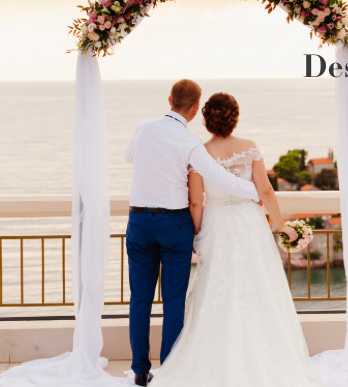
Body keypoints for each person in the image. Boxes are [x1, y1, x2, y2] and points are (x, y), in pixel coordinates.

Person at [149, 92, 322, 387]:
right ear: (234, 118)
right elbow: (265, 191)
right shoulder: (249, 147)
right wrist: (280, 226)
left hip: (216, 226)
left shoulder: (198, 152)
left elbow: (196, 202)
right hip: (249, 224)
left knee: (217, 285)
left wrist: (197, 233)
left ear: (206, 119)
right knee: (260, 287)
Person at [123, 80, 265, 386]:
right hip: (174, 225)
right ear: (195, 108)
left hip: (139, 223)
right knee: (174, 300)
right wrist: (255, 191)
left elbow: (128, 156)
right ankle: (170, 368)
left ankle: (140, 370)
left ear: (170, 99)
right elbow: (217, 178)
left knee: (140, 299)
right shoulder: (189, 143)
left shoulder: (144, 127)